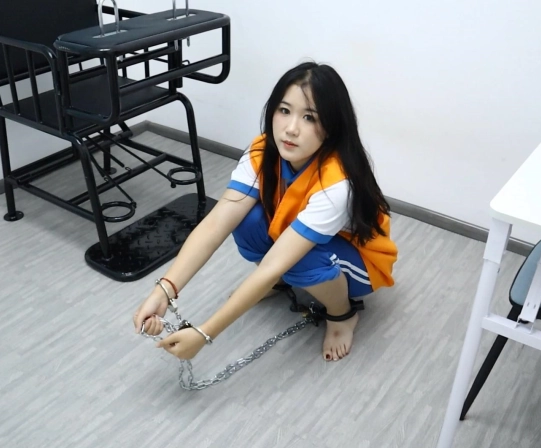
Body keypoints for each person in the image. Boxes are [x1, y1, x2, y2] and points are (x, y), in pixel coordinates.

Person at [132, 61, 398, 362]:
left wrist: (205, 333)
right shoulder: (263, 150)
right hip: (299, 242)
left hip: (360, 261)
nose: (291, 128)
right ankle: (283, 282)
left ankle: (342, 315)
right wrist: (164, 290)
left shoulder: (336, 183)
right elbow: (217, 223)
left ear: (331, 127)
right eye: (284, 110)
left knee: (298, 258)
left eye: (309, 117)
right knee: (246, 218)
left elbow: (274, 262)